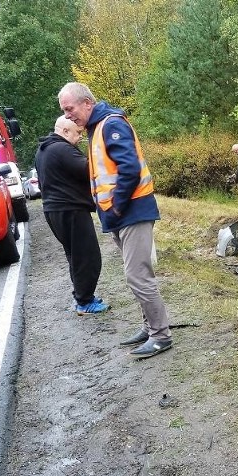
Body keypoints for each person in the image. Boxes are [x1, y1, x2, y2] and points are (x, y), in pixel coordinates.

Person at [58, 82, 172, 359]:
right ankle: (150, 328)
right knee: (136, 275)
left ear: (87, 103)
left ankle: (161, 335)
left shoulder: (110, 124)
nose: (67, 115)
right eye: (64, 111)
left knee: (138, 275)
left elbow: (130, 168)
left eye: (69, 109)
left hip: (132, 212)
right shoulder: (96, 128)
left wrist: (118, 206)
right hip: (121, 215)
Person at [34, 116, 109, 315]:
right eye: (77, 133)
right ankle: (85, 301)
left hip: (54, 211)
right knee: (87, 256)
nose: (79, 138)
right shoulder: (61, 149)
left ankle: (83, 296)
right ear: (65, 131)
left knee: (74, 256)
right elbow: (88, 169)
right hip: (70, 210)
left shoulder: (43, 150)